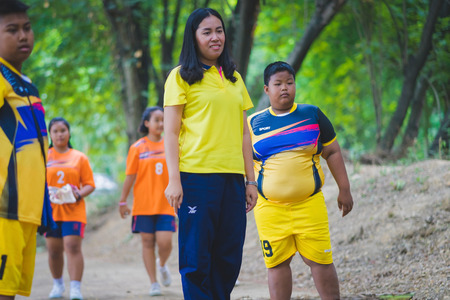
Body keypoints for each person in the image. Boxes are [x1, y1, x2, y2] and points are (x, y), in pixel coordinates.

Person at [163, 7, 258, 300]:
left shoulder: (234, 78)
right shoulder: (180, 77)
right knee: (196, 256)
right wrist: (174, 180)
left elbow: (244, 132)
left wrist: (250, 180)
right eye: (207, 32)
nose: (215, 37)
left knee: (228, 256)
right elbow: (170, 132)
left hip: (232, 179)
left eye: (219, 30)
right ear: (194, 37)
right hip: (196, 178)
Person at [247, 61, 354, 300]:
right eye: (278, 84)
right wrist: (246, 189)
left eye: (289, 82)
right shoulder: (253, 123)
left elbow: (333, 152)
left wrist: (344, 189)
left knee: (321, 260)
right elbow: (244, 162)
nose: (284, 88)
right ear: (266, 89)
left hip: (309, 204)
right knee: (276, 263)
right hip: (269, 208)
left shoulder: (312, 114)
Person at [0, 1, 50, 299]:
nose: (23, 36)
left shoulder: (26, 85)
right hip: (4, 208)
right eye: (12, 30)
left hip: (27, 211)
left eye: (27, 28)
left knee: (12, 291)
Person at [118, 106, 176, 297]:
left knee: (165, 242)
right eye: (157, 120)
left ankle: (161, 264)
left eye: (163, 120)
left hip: (166, 204)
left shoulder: (172, 144)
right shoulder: (137, 148)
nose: (161, 123)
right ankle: (153, 283)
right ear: (147, 123)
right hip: (143, 206)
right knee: (147, 241)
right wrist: (123, 201)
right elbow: (130, 177)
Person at [45, 117, 96, 300]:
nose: (59, 134)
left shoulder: (79, 157)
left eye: (63, 130)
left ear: (69, 132)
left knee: (72, 246)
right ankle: (58, 285)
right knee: (53, 250)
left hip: (74, 210)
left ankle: (76, 288)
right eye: (55, 131)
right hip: (51, 212)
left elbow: (90, 184)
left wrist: (78, 194)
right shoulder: (44, 156)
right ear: (50, 135)